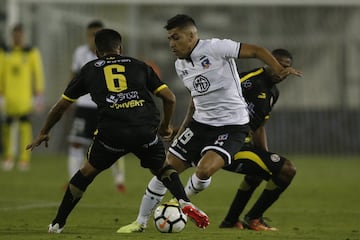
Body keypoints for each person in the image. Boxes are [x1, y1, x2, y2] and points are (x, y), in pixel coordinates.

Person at [117, 14, 302, 233]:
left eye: (175, 38)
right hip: (200, 125)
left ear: (192, 35)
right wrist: (183, 128)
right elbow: (195, 100)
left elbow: (257, 51)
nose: (171, 44)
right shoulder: (180, 65)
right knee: (164, 170)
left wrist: (277, 68)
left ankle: (181, 204)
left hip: (232, 127)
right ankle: (140, 222)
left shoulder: (216, 47)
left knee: (204, 170)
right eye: (169, 39)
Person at [26, 28, 209, 233]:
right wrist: (165, 126)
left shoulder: (89, 69)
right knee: (163, 168)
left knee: (85, 173)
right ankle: (183, 201)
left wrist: (44, 131)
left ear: (97, 52)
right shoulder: (140, 65)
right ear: (120, 48)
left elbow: (61, 106)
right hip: (144, 129)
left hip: (112, 133)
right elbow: (170, 98)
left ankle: (58, 223)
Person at [218, 48, 297, 231]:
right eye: (277, 65)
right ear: (267, 62)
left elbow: (259, 127)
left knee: (257, 172)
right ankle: (253, 218)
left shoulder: (273, 93)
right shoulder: (247, 80)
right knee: (287, 170)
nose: (281, 71)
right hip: (226, 145)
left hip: (242, 145)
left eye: (286, 68)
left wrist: (264, 155)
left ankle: (230, 221)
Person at [68, 20, 126, 192]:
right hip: (84, 106)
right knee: (76, 143)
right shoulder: (80, 53)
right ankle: (73, 179)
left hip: (106, 107)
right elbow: (73, 77)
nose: (94, 38)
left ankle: (119, 180)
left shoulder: (111, 54)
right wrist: (69, 99)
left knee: (114, 144)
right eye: (91, 34)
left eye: (97, 34)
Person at [0, 23, 45, 171]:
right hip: (9, 96)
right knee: (8, 127)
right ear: (12, 35)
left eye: (19, 34)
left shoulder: (31, 52)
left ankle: (24, 159)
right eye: (15, 34)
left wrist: (39, 93)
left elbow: (38, 73)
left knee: (24, 127)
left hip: (25, 96)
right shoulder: (5, 52)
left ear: (23, 35)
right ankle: (8, 157)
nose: (17, 37)